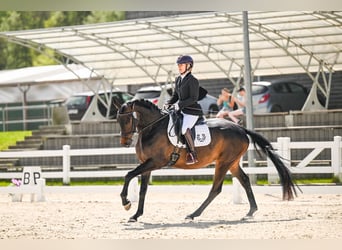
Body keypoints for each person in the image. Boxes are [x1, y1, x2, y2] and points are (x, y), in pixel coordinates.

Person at [164, 55, 203, 165]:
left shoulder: (193, 80)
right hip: (181, 111)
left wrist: (178, 105)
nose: (179, 67)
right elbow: (175, 95)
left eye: (181, 65)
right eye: (179, 65)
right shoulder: (178, 79)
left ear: (189, 66)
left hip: (192, 111)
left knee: (184, 128)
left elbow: (193, 98)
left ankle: (193, 154)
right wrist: (169, 103)